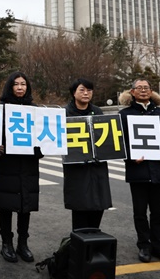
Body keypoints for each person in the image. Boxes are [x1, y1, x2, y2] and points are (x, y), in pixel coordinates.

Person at [118, 79, 160, 264]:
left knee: (158, 212)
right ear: (132, 92)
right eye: (139, 88)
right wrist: (129, 156)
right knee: (140, 212)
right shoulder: (124, 115)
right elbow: (119, 140)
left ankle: (159, 246)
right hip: (138, 171)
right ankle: (144, 245)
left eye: (147, 88)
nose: (143, 91)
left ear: (151, 92)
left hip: (159, 169)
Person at [0, 72, 43, 263]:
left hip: (28, 164)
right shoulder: (0, 109)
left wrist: (41, 149)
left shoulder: (35, 109)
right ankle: (6, 244)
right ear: (9, 87)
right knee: (6, 205)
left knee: (25, 206)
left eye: (24, 84)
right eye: (16, 84)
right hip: (7, 164)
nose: (20, 87)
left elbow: (43, 136)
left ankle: (23, 244)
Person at [62, 78, 112, 231]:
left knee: (98, 204)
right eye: (82, 90)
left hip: (97, 167)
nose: (86, 93)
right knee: (80, 207)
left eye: (89, 90)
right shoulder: (65, 113)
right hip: (76, 168)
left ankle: (93, 242)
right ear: (73, 93)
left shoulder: (98, 112)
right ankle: (80, 244)